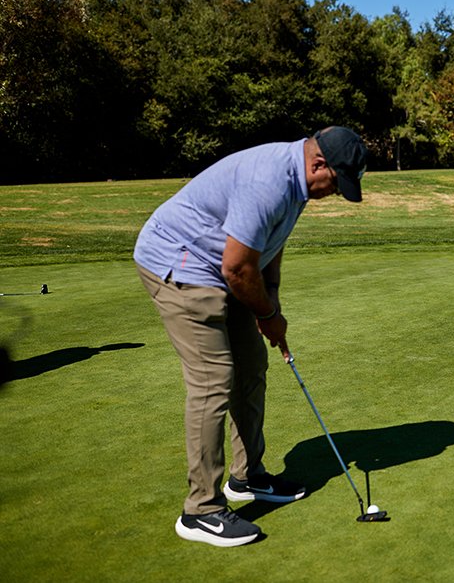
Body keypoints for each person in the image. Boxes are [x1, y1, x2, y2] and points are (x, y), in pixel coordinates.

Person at [134, 126, 367, 547]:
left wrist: (271, 302)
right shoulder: (270, 181)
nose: (334, 193)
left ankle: (246, 478)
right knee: (214, 379)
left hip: (223, 265)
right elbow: (238, 267)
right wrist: (269, 314)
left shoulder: (298, 183)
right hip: (179, 263)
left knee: (251, 366)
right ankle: (200, 510)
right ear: (318, 164)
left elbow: (268, 246)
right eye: (335, 183)